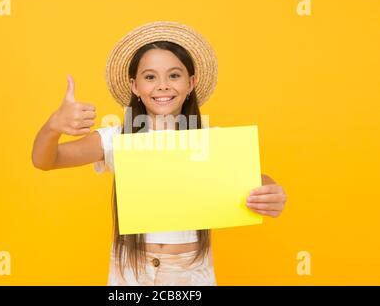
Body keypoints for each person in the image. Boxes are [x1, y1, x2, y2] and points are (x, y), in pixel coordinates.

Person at [31, 21, 288, 286]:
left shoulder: (210, 139)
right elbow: (45, 160)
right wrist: (52, 126)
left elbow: (254, 179)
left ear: (191, 83)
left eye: (174, 76)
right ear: (134, 86)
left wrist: (270, 191)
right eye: (150, 77)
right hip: (130, 273)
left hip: (190, 273)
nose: (163, 85)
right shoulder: (118, 138)